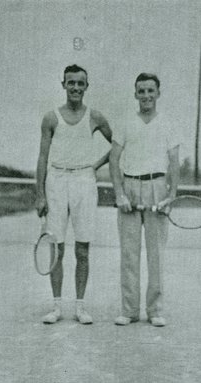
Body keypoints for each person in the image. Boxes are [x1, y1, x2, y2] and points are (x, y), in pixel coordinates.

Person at [36, 64, 112, 324]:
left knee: (82, 248)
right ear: (64, 85)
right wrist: (40, 194)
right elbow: (43, 157)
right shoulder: (51, 118)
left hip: (84, 181)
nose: (76, 88)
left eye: (80, 83)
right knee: (56, 248)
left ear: (86, 86)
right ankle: (57, 306)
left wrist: (97, 165)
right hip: (56, 181)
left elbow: (119, 145)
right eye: (71, 83)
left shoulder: (95, 117)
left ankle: (80, 306)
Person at [109, 73, 180, 327]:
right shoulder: (126, 122)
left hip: (157, 187)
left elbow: (174, 162)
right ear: (135, 94)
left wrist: (170, 195)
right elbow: (114, 159)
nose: (146, 95)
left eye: (151, 90)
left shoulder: (168, 124)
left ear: (158, 93)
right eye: (141, 91)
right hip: (130, 186)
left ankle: (155, 310)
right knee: (129, 254)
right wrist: (119, 193)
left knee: (156, 254)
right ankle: (129, 310)